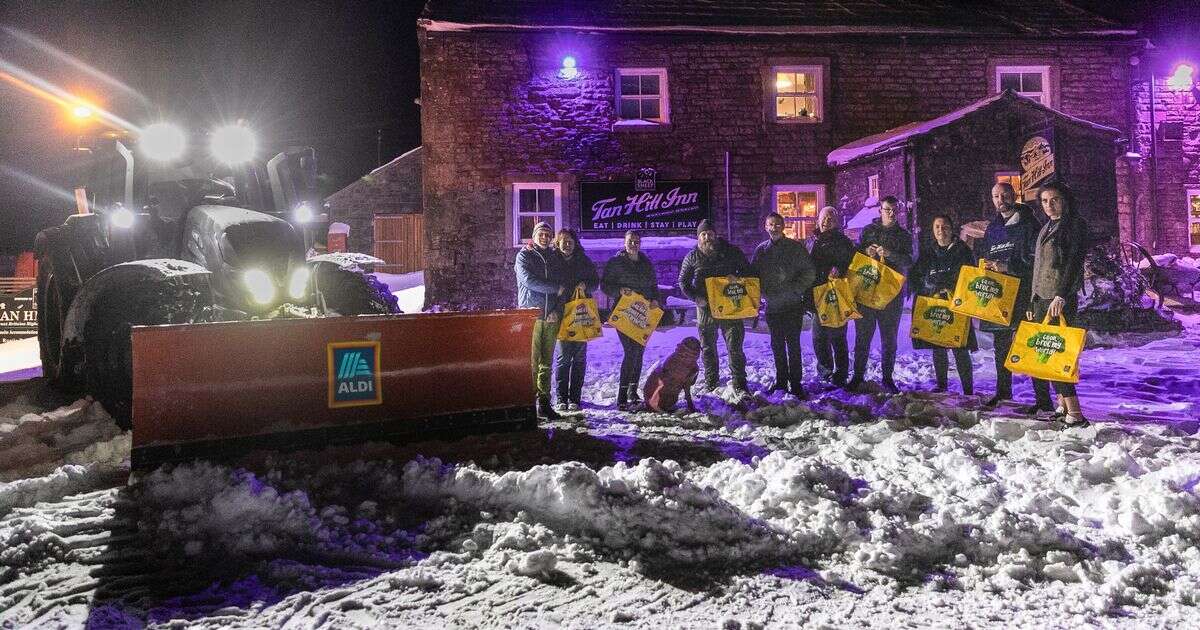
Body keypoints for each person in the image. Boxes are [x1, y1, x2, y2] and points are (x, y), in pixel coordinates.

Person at [1027, 182, 1089, 426]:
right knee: (1046, 353)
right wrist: (1033, 300)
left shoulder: (1074, 225)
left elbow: (1073, 262)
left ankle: (1075, 412)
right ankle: (1062, 404)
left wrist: (1061, 296)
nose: (1049, 206)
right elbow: (1039, 267)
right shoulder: (1046, 227)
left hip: (1059, 298)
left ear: (1065, 200)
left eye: (1054, 200)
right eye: (1044, 201)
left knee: (1058, 354)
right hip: (1042, 298)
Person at [975, 182, 1040, 409]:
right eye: (995, 196)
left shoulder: (1030, 224)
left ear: (1014, 195)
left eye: (1004, 195)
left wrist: (1007, 266)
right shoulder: (993, 227)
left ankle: (1043, 400)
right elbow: (985, 255)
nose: (1000, 199)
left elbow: (1036, 261)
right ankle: (1003, 392)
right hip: (999, 295)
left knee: (1029, 345)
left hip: (1024, 293)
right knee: (1001, 346)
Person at [678, 219, 756, 396]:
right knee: (707, 348)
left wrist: (738, 278)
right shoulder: (692, 256)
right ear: (698, 237)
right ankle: (711, 382)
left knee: (735, 346)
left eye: (710, 234)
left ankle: (739, 382)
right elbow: (683, 282)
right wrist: (696, 298)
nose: (707, 237)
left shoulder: (731, 252)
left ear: (715, 235)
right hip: (705, 308)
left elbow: (748, 272)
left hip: (730, 307)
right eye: (703, 234)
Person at [848, 196, 913, 394]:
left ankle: (887, 378)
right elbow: (854, 255)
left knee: (889, 337)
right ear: (880, 211)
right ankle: (858, 376)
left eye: (894, 210)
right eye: (887, 209)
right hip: (867, 290)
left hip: (891, 294)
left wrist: (892, 255)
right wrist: (865, 251)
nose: (891, 213)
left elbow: (910, 260)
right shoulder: (868, 231)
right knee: (863, 336)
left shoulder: (904, 235)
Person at [752, 212, 816, 398]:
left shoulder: (795, 248)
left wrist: (796, 289)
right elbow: (753, 276)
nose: (774, 227)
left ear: (783, 226)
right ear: (766, 227)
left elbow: (809, 272)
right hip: (773, 307)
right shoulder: (761, 250)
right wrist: (760, 294)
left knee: (793, 346)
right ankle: (781, 381)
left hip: (793, 305)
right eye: (771, 224)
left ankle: (796, 384)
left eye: (778, 224)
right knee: (777, 345)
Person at [911, 214, 976, 394]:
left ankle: (968, 389)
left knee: (959, 347)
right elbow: (916, 276)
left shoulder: (962, 250)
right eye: (937, 227)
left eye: (945, 226)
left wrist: (949, 286)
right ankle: (942, 385)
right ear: (933, 231)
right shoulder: (928, 252)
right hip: (935, 305)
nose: (941, 230)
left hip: (956, 305)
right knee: (938, 346)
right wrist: (927, 286)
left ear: (951, 228)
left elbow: (970, 276)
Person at [601, 230, 661, 410]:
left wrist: (656, 299)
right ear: (624, 243)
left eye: (636, 241)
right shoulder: (616, 262)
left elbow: (653, 285)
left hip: (643, 313)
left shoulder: (646, 262)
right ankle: (621, 395)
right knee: (630, 352)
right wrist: (619, 291)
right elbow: (605, 285)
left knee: (639, 351)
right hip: (624, 312)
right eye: (630, 241)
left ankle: (632, 392)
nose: (634, 244)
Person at [515, 221, 566, 420]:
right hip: (532, 314)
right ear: (534, 236)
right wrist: (554, 288)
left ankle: (544, 403)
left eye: (547, 234)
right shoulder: (524, 256)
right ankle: (529, 403)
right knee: (532, 362)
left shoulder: (554, 257)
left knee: (547, 361)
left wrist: (557, 310)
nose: (544, 237)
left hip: (551, 316)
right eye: (541, 234)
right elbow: (529, 281)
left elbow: (564, 286)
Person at [809, 206, 857, 387]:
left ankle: (841, 373)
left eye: (831, 218)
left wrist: (841, 268)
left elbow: (852, 264)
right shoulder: (811, 240)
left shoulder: (843, 241)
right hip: (816, 294)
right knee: (818, 337)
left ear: (836, 222)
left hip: (836, 295)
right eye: (824, 218)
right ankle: (826, 372)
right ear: (818, 220)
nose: (826, 221)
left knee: (837, 336)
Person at [553, 229, 599, 413]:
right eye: (563, 241)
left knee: (579, 358)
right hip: (561, 313)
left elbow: (596, 282)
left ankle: (575, 398)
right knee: (563, 358)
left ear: (575, 243)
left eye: (570, 241)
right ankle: (561, 398)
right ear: (557, 243)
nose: (566, 244)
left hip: (581, 314)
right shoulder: (552, 260)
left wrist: (586, 285)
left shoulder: (583, 260)